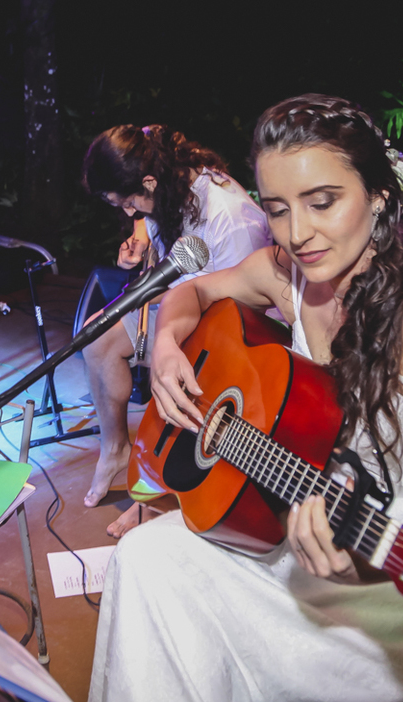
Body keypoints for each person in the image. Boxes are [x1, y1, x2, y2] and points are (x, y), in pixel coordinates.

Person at [77, 94, 403, 702]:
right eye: (276, 207)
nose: (296, 231)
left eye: (323, 201)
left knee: (182, 619)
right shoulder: (289, 274)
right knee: (144, 558)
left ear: (381, 196)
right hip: (294, 514)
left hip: (390, 563)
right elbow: (192, 294)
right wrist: (171, 342)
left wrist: (360, 568)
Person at [79, 124, 271, 513]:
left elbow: (242, 314)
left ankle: (160, 482)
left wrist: (169, 337)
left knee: (169, 373)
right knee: (96, 335)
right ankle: (115, 450)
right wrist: (140, 240)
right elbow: (147, 215)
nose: (128, 212)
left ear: (148, 182)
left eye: (128, 202)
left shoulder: (229, 217)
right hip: (179, 305)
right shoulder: (163, 174)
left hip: (230, 328)